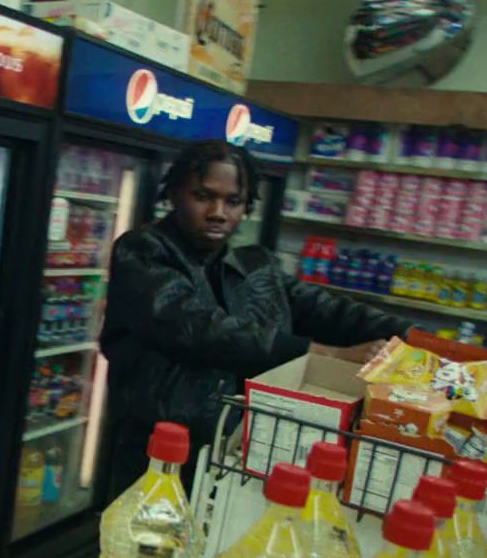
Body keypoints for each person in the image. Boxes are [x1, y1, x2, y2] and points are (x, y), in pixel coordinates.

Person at [100, 139, 410, 496]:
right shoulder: (142, 252)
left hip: (234, 446)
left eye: (232, 201)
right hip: (158, 450)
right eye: (203, 196)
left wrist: (409, 333)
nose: (218, 211)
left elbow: (322, 307)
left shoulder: (253, 264)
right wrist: (325, 354)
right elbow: (198, 328)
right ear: (175, 194)